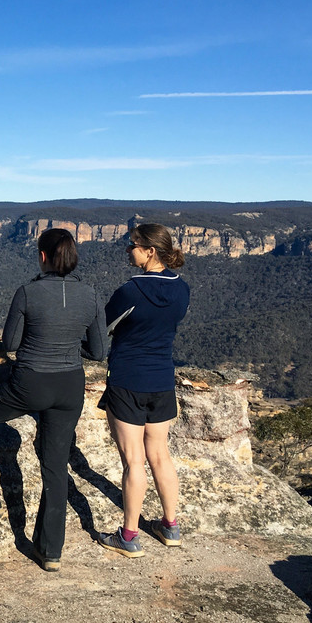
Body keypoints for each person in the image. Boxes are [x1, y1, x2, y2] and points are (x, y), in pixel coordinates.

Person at [0, 229, 106, 572]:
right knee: (54, 466)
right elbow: (98, 351)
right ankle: (50, 551)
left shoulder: (28, 292)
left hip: (31, 382)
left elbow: (9, 344)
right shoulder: (91, 295)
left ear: (43, 256)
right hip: (70, 386)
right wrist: (68, 346)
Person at [96, 223, 190, 558]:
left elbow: (101, 330)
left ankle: (129, 535)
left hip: (128, 380)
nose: (127, 249)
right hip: (163, 380)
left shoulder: (130, 291)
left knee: (133, 461)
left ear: (150, 251)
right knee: (161, 455)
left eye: (132, 244)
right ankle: (170, 526)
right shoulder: (183, 289)